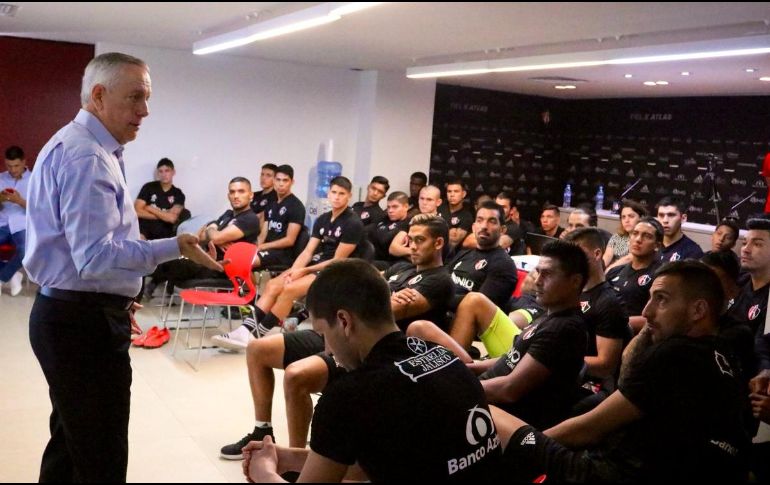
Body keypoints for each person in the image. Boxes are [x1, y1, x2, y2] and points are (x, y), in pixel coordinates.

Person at [23, 52, 220, 482]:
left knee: (71, 447)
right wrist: (173, 247)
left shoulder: (87, 146)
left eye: (147, 99)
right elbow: (95, 258)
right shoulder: (87, 157)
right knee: (100, 456)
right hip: (81, 324)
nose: (144, 111)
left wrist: (124, 289)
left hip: (72, 315)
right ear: (99, 96)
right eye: (135, 97)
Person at [242, 259, 502, 482]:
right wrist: (290, 457)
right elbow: (383, 460)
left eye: (323, 334)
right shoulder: (446, 357)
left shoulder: (349, 396)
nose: (328, 350)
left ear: (344, 321)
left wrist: (263, 472)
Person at [493, 261, 750, 483]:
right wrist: (654, 325)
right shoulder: (725, 357)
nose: (647, 311)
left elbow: (590, 427)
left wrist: (533, 445)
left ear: (698, 310)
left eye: (661, 299)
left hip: (618, 474)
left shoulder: (675, 352)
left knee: (494, 416)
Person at [218, 215, 454, 456]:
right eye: (410, 240)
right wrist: (382, 297)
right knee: (257, 349)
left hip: (364, 349)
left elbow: (384, 313)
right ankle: (262, 431)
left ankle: (293, 459)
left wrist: (378, 298)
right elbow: (359, 291)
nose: (412, 246)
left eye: (420, 240)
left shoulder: (440, 280)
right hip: (337, 333)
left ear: (438, 243)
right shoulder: (400, 268)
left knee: (297, 375)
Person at [213, 176, 363, 348]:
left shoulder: (353, 223)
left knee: (289, 290)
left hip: (337, 271)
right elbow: (307, 252)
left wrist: (304, 271)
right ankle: (244, 331)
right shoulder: (323, 219)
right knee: (273, 285)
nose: (336, 197)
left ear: (349, 196)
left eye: (341, 194)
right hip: (316, 265)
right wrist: (294, 270)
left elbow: (337, 261)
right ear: (328, 193)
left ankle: (255, 336)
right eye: (334, 192)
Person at [466, 240, 589, 430]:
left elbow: (509, 390)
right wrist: (466, 368)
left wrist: (459, 388)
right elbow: (510, 359)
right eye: (538, 272)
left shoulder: (564, 329)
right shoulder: (550, 315)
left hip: (499, 416)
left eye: (547, 274)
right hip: (484, 395)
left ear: (575, 281)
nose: (537, 281)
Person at [564, 228, 631, 413]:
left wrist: (557, 358)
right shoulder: (570, 291)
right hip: (565, 369)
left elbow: (605, 364)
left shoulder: (608, 302)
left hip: (593, 383)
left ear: (597, 254)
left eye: (578, 254)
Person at [152, 177, 260, 290]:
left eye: (241, 191)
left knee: (169, 261)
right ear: (228, 195)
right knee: (167, 258)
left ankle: (150, 287)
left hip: (224, 269)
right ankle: (152, 287)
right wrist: (212, 229)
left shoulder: (249, 218)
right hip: (209, 262)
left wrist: (212, 230)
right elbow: (199, 238)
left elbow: (216, 238)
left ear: (251, 195)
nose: (236, 196)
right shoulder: (228, 214)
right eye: (232, 192)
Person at [446, 200, 518, 310]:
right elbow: (442, 280)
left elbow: (478, 307)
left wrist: (439, 299)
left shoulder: (504, 265)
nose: (484, 226)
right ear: (473, 227)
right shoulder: (464, 253)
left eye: (492, 221)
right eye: (480, 220)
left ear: (502, 230)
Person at [606, 217, 663, 333]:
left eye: (647, 236)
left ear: (657, 245)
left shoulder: (660, 276)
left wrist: (616, 322)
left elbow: (659, 317)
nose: (638, 239)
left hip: (636, 335)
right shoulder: (615, 271)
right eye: (635, 233)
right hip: (605, 330)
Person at [252, 165, 306, 271]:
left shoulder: (296, 206)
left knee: (248, 261)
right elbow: (263, 234)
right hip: (267, 249)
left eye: (285, 180)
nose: (281, 184)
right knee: (241, 256)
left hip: (283, 253)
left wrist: (264, 246)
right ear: (274, 181)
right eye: (278, 180)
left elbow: (289, 240)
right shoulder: (271, 204)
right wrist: (255, 246)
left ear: (292, 182)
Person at [0, 145, 31, 295]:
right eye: (9, 166)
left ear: (24, 162)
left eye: (16, 165)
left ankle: (2, 277)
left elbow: (39, 209)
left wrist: (19, 201)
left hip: (22, 225)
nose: (12, 170)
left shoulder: (34, 180)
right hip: (2, 223)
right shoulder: (1, 178)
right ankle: (13, 275)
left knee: (26, 251)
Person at [134, 157, 186, 241]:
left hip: (165, 234)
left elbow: (172, 218)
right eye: (160, 171)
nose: (164, 174)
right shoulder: (149, 187)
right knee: (138, 241)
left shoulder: (178, 193)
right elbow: (136, 211)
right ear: (158, 173)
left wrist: (149, 208)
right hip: (144, 231)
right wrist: (164, 215)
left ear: (173, 172)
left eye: (167, 171)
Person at [656, 196, 704, 261]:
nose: (665, 220)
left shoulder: (693, 251)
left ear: (683, 218)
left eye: (671, 215)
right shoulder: (650, 244)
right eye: (661, 215)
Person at [369, 191, 410, 268]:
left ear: (406, 207)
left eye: (395, 207)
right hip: (371, 258)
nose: (390, 211)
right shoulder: (383, 219)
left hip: (391, 264)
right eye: (388, 207)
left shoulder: (409, 225)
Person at [603, 199, 647, 271]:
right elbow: (607, 256)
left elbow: (630, 258)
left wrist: (610, 269)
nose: (626, 220)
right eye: (623, 217)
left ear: (641, 218)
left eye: (631, 216)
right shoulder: (617, 236)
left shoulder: (645, 238)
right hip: (613, 272)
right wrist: (599, 271)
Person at [439, 178, 473, 248]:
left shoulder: (467, 216)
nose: (452, 194)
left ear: (463, 194)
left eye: (456, 191)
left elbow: (454, 241)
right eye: (449, 191)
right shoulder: (439, 208)